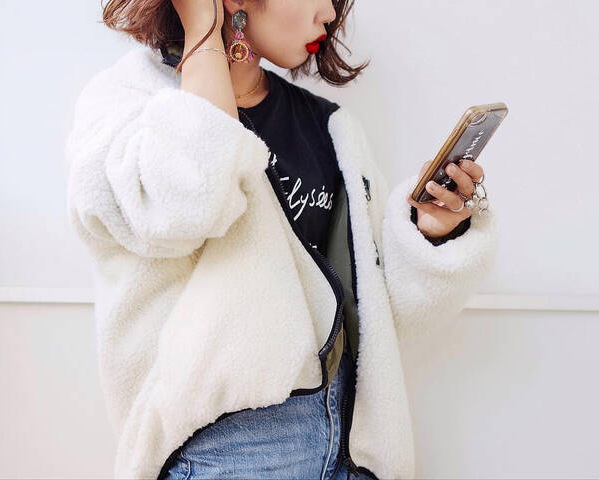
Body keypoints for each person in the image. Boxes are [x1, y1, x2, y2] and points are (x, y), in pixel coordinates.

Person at [64, 0, 498, 478]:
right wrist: (204, 28)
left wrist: (431, 232)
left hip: (354, 443)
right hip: (231, 446)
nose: (329, 15)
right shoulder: (128, 101)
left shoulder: (330, 127)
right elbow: (187, 207)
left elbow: (379, 312)